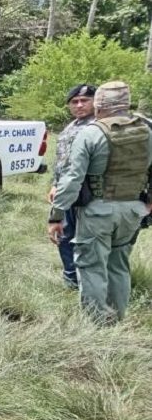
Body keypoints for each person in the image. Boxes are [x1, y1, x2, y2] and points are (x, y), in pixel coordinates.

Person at [48, 81, 152, 325]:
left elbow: (72, 179)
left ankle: (97, 324)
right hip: (133, 210)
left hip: (98, 211)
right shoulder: (146, 130)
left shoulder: (92, 133)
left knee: (92, 266)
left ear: (99, 103)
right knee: (119, 265)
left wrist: (56, 216)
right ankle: (117, 318)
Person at [48, 84, 97, 289]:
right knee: (65, 235)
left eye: (84, 101)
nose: (79, 105)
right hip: (67, 193)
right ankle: (71, 279)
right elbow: (61, 160)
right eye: (74, 102)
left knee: (88, 241)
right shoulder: (70, 127)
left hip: (90, 194)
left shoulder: (98, 127)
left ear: (95, 102)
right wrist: (54, 184)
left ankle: (89, 283)